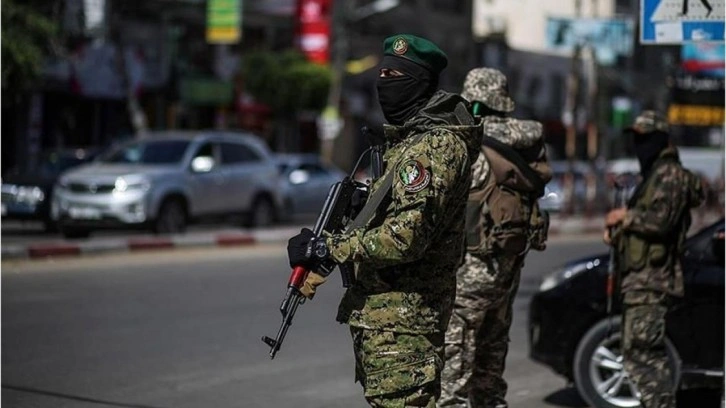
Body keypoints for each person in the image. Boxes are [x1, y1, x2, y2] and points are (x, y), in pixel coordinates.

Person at [286, 34, 481, 407]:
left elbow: (406, 238)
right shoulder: (408, 144)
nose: (383, 84)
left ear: (419, 82)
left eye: (395, 75)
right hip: (388, 325)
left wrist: (330, 247)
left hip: (405, 328)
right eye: (382, 74)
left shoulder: (434, 147)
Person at [439, 68, 551, 408]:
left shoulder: (472, 144)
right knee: (490, 367)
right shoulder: (528, 145)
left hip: (469, 272)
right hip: (507, 268)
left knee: (454, 376)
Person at [604, 110, 704, 408]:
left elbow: (661, 221)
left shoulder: (669, 174)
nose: (639, 146)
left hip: (652, 281)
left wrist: (624, 216)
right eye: (636, 139)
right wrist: (619, 233)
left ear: (660, 139)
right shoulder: (655, 174)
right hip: (640, 281)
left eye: (645, 138)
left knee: (644, 356)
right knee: (637, 354)